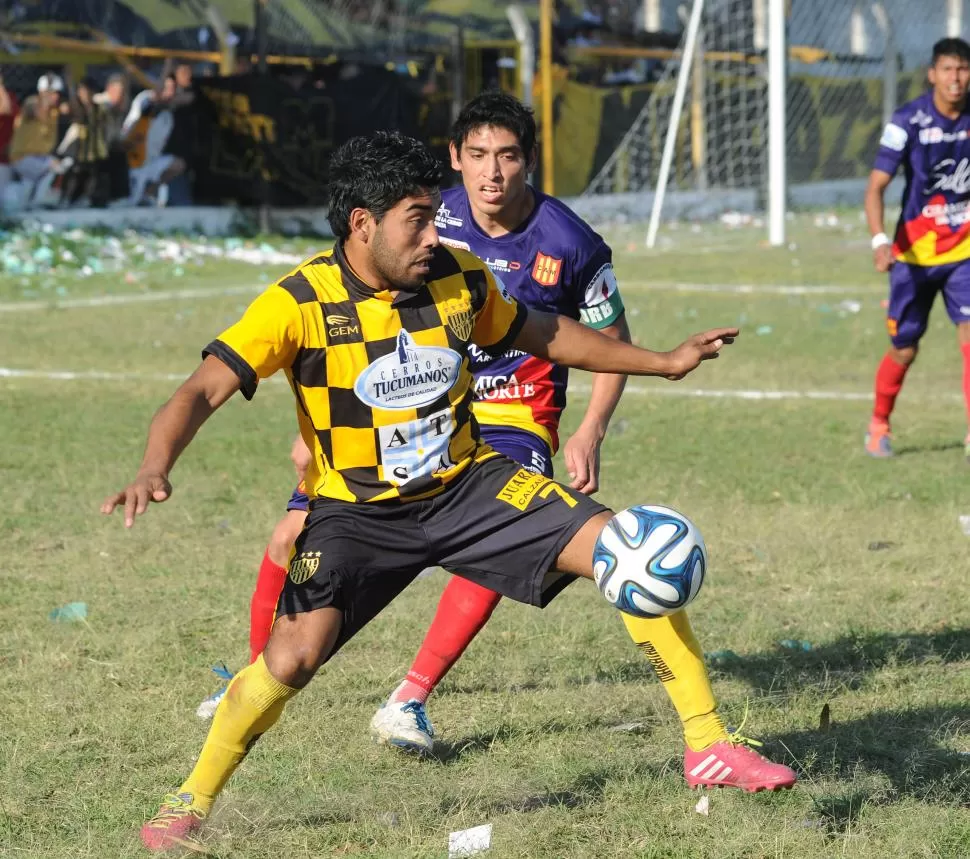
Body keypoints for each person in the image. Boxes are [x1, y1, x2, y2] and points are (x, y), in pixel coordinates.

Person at [103, 130, 794, 852]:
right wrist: (156, 464)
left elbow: (543, 332)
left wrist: (662, 361)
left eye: (436, 214)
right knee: (290, 660)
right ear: (362, 224)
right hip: (358, 514)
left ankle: (707, 743)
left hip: (471, 485)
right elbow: (199, 389)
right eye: (418, 219)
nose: (437, 233)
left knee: (628, 549)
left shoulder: (456, 276)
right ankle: (189, 798)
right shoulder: (298, 302)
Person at [242, 90, 633, 728]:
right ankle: (253, 677)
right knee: (291, 532)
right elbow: (332, 311)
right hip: (407, 407)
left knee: (500, 539)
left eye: (507, 156)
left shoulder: (572, 241)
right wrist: (314, 437)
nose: (492, 172)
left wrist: (592, 427)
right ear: (455, 158)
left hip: (512, 410)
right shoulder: (421, 214)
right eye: (477, 155)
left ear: (529, 161)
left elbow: (611, 343)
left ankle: (409, 697)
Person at [865, 37, 970, 460]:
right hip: (912, 256)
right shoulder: (907, 120)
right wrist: (879, 241)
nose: (956, 78)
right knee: (904, 348)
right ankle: (878, 424)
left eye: (963, 69)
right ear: (932, 74)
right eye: (947, 69)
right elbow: (875, 188)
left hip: (963, 253)